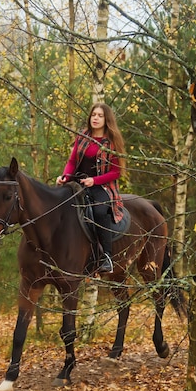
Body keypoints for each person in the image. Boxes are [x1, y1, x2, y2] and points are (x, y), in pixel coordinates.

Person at [56, 103, 126, 273]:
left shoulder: (112, 142)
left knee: (100, 212)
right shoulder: (83, 136)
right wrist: (65, 176)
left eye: (100, 115)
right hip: (77, 183)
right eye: (93, 114)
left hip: (101, 187)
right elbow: (72, 161)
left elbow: (117, 172)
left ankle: (107, 257)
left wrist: (94, 181)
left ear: (106, 119)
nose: (95, 118)